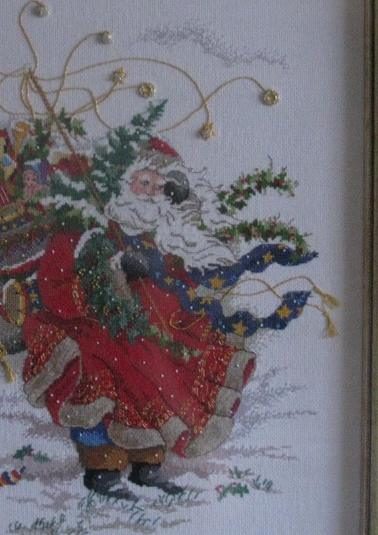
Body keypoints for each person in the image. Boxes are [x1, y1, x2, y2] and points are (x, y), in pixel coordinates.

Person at [19, 139, 256, 500]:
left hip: (155, 330)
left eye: (160, 188)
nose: (150, 193)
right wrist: (109, 277)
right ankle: (101, 466)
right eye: (144, 182)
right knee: (103, 378)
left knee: (163, 374)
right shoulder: (84, 231)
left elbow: (181, 278)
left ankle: (148, 463)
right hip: (96, 329)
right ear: (123, 181)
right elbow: (53, 287)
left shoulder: (162, 234)